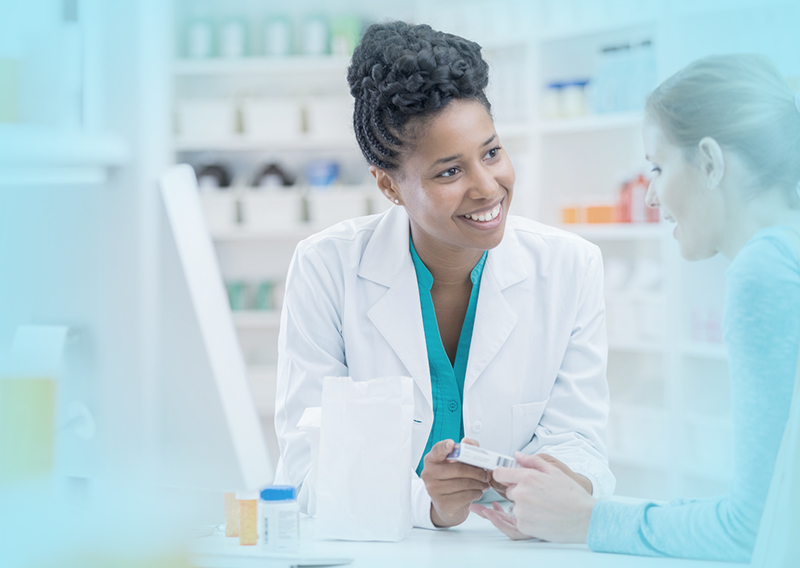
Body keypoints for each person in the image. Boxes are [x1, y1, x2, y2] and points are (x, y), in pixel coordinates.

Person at [273, 21, 615, 530]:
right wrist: (431, 505)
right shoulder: (327, 268)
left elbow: (581, 439)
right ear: (389, 186)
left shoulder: (569, 266)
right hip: (375, 549)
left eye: (492, 152)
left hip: (512, 549)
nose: (488, 188)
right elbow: (306, 467)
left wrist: (553, 486)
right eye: (449, 172)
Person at [472, 54, 800, 562]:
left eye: (659, 167)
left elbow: (750, 530)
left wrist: (587, 520)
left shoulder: (766, 270)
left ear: (711, 162)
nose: (649, 196)